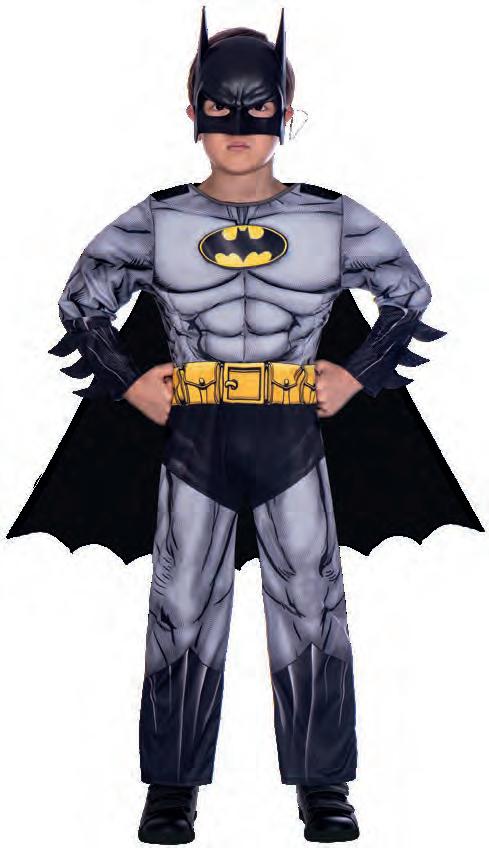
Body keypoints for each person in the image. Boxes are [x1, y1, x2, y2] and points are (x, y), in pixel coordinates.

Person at [6, 6, 485, 845]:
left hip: (292, 436)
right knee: (181, 608)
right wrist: (129, 381)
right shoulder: (157, 221)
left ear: (284, 112)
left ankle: (323, 786)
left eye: (256, 108)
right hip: (193, 437)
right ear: (191, 110)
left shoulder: (331, 219)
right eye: (218, 107)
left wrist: (355, 372)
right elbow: (80, 302)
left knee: (312, 606)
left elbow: (408, 293)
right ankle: (172, 788)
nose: (237, 127)